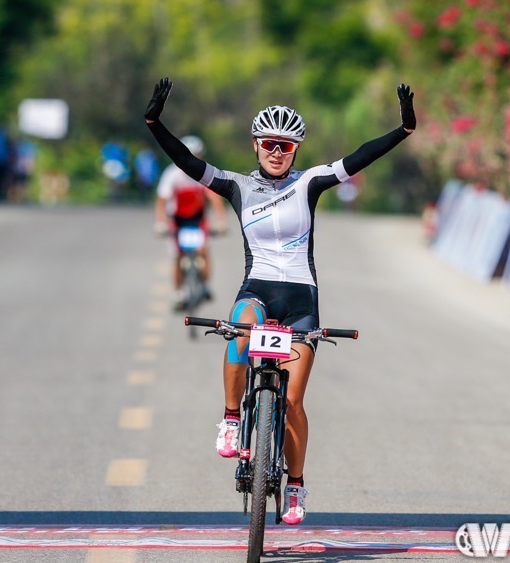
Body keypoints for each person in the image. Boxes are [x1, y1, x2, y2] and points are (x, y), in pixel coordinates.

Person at [144, 77, 416, 524]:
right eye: (269, 143)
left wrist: (402, 131)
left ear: (296, 151)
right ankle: (231, 418)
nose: (277, 151)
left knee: (291, 402)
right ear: (255, 145)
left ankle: (295, 486)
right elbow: (186, 162)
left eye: (286, 147)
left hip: (301, 302)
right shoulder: (235, 185)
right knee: (237, 331)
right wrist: (155, 123)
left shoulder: (310, 183)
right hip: (258, 291)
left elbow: (360, 156)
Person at [154, 135, 228, 310]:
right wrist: (160, 223)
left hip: (198, 219)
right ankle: (178, 291)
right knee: (178, 256)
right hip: (178, 221)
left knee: (203, 251)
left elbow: (215, 199)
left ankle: (204, 285)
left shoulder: (204, 173)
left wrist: (221, 221)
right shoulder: (171, 175)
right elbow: (162, 201)